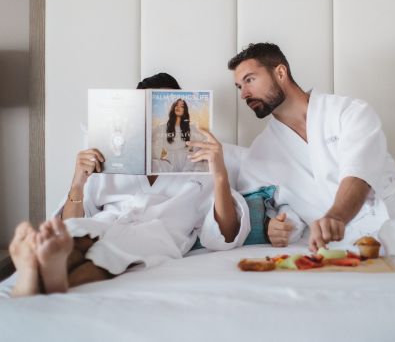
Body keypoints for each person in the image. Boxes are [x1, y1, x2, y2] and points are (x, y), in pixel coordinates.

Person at [228, 43, 395, 270]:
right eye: (239, 87)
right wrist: (272, 227)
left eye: (249, 80)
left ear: (280, 72)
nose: (244, 94)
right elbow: (270, 208)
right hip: (333, 245)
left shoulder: (349, 112)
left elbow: (359, 173)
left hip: (394, 214)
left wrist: (336, 216)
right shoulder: (260, 152)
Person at [8, 73, 250, 297]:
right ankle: (41, 270)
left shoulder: (201, 163)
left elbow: (225, 235)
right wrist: (78, 182)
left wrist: (219, 174)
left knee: (110, 255)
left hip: (158, 234)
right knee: (76, 234)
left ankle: (43, 284)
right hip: (107, 220)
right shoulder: (109, 154)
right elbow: (72, 219)